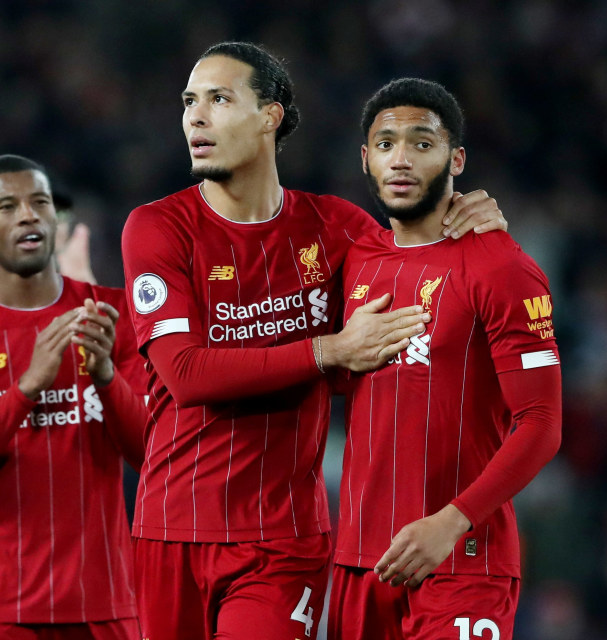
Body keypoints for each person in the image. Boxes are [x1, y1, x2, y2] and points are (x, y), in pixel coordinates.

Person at [120, 42, 506, 640]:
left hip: (285, 539)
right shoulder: (157, 227)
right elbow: (185, 374)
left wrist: (473, 228)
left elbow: (423, 273)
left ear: (271, 116)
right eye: (190, 102)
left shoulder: (339, 229)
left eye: (219, 99)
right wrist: (328, 351)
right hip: (169, 527)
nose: (195, 117)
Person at [327, 79, 562, 640]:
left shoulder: (502, 267)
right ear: (365, 159)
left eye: (422, 143)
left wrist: (451, 522)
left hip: (462, 560)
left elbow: (542, 425)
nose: (401, 159)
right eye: (385, 145)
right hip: (359, 565)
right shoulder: (355, 255)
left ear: (456, 158)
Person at [0, 154, 148, 640]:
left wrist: (105, 375)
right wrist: (26, 389)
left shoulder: (111, 314)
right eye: (7, 206)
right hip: (9, 611)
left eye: (39, 202)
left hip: (104, 604)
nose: (27, 214)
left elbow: (151, 453)